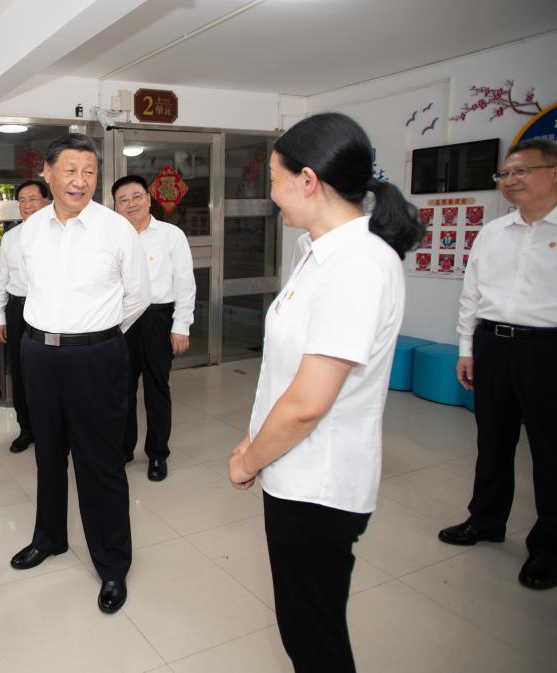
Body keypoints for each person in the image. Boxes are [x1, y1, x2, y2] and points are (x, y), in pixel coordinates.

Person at [227, 112, 423, 673]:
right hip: (293, 467)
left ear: (308, 181)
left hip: (319, 484)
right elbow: (288, 371)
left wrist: (248, 460)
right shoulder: (317, 251)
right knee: (304, 625)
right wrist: (254, 439)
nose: (271, 195)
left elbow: (309, 404)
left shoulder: (357, 266)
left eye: (274, 180)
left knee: (314, 637)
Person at [9, 133, 150, 614]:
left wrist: (97, 334)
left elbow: (138, 296)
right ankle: (49, 538)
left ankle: (112, 564)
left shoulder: (116, 230)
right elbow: (27, 290)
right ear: (47, 173)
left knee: (99, 462)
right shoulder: (29, 231)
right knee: (48, 454)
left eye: (89, 171)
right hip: (38, 354)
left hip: (95, 357)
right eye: (70, 170)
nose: (80, 180)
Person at [439, 138, 557, 590]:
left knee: (554, 453)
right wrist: (466, 348)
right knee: (492, 441)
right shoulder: (493, 232)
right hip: (493, 345)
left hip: (553, 351)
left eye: (522, 171)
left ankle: (550, 548)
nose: (511, 181)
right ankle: (485, 520)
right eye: (505, 174)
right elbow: (472, 293)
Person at [112, 175, 195, 481]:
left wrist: (181, 325)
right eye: (123, 200)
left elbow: (184, 282)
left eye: (136, 196)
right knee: (121, 390)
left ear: (148, 199)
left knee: (157, 389)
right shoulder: (113, 237)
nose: (130, 204)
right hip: (122, 322)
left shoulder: (171, 235)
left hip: (158, 320)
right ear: (116, 206)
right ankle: (123, 449)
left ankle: (158, 454)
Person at [0, 178, 51, 453]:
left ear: (46, 201)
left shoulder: (59, 234)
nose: (27, 205)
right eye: (22, 201)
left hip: (49, 309)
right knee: (20, 371)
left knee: (49, 370)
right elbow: (1, 280)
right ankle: (26, 429)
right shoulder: (11, 237)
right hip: (18, 309)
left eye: (33, 199)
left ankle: (50, 429)